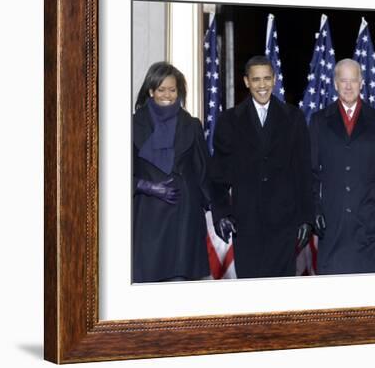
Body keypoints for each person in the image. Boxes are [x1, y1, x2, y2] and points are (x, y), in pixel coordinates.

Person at [209, 55, 314, 278]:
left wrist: (306, 217)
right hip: (245, 224)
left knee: (282, 295)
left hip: (284, 224)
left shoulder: (293, 118)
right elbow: (218, 175)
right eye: (256, 79)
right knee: (251, 295)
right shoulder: (229, 120)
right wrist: (221, 214)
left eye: (267, 78)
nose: (262, 85)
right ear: (247, 81)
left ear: (275, 79)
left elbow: (303, 172)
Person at [309, 58, 375, 275]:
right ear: (335, 83)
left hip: (368, 220)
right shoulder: (319, 121)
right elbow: (310, 172)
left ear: (361, 83)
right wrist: (314, 210)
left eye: (353, 80)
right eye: (343, 80)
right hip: (332, 222)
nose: (348, 86)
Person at [132, 61, 211, 282]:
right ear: (151, 91)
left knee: (181, 291)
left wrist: (220, 210)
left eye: (172, 89)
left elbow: (204, 173)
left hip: (184, 221)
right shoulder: (129, 125)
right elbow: (113, 176)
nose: (167, 94)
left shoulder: (192, 125)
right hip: (147, 218)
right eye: (161, 89)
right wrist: (146, 186)